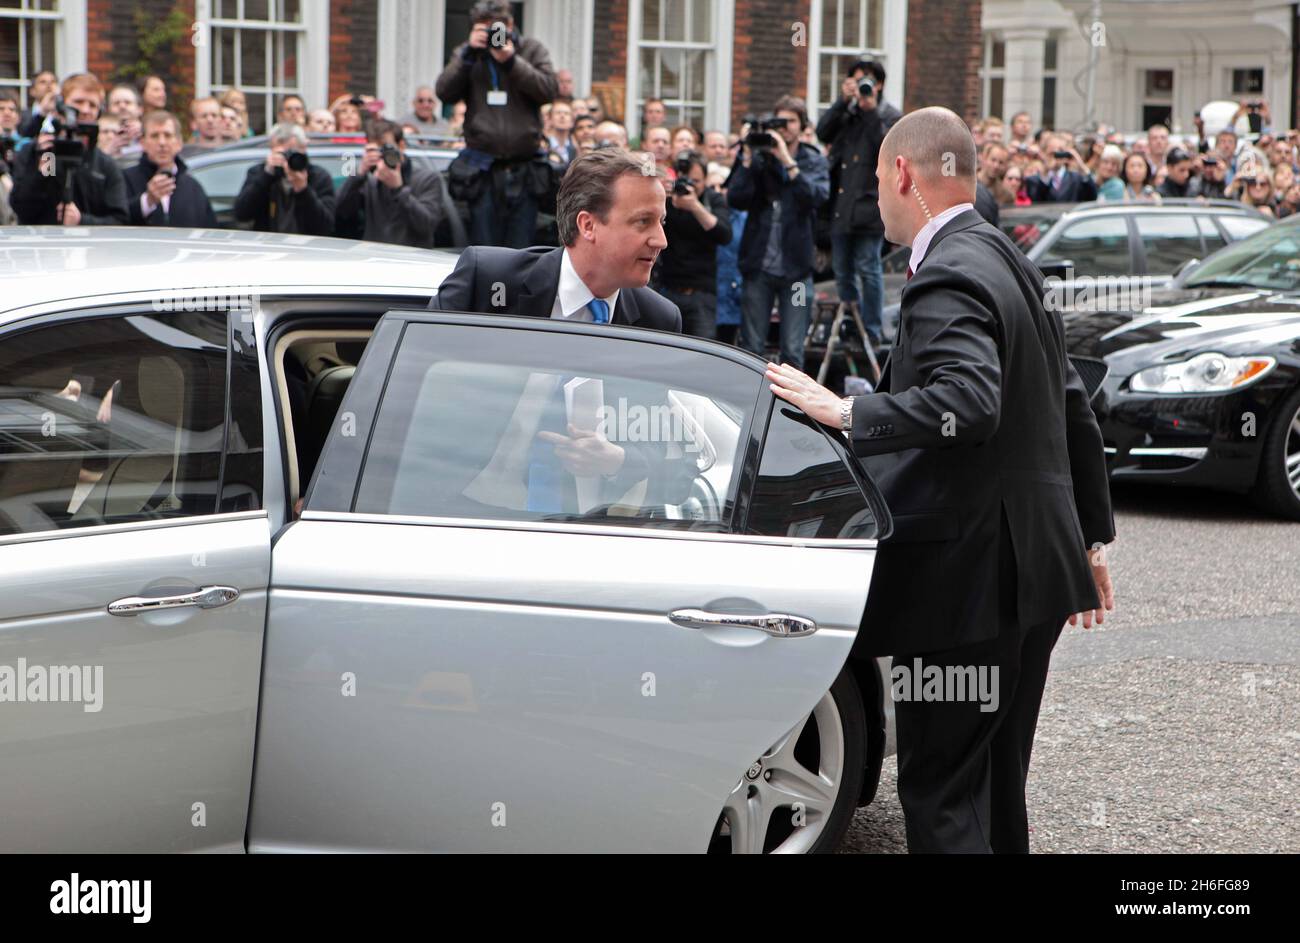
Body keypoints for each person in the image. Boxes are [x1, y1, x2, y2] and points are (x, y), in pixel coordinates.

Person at [764, 106, 1116, 854]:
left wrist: (850, 410)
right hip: (1032, 575)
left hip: (967, 586)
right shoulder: (1009, 257)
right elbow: (1070, 399)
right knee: (992, 782)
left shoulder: (948, 270)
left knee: (942, 789)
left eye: (877, 185)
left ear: (900, 173)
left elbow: (970, 400)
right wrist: (1091, 535)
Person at [436, 0, 558, 248]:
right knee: (483, 245)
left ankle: (516, 288)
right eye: (486, 29)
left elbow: (548, 91)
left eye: (497, 28)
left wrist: (511, 61)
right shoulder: (468, 54)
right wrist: (467, 56)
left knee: (521, 247)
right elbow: (444, 92)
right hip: (482, 168)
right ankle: (487, 288)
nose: (493, 35)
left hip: (524, 168)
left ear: (511, 25)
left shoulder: (531, 50)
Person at [728, 96, 830, 368]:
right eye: (780, 121)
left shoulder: (812, 159)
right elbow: (736, 198)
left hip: (796, 270)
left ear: (802, 125)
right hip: (759, 266)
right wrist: (748, 158)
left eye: (791, 122)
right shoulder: (758, 155)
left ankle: (789, 409)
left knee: (793, 349)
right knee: (751, 348)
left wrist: (786, 159)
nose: (785, 127)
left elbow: (817, 198)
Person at [816, 60, 898, 346]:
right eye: (857, 80)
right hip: (842, 204)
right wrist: (842, 102)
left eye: (867, 81)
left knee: (868, 266)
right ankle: (850, 318)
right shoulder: (846, 114)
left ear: (879, 86)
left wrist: (870, 111)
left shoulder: (888, 114)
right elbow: (822, 132)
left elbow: (887, 148)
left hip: (870, 207)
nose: (863, 87)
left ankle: (872, 328)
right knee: (842, 267)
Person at [9, 73, 129, 226]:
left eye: (92, 105)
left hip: (90, 247)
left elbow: (120, 220)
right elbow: (23, 208)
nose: (85, 110)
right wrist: (44, 168)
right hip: (43, 244)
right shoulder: (40, 151)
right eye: (78, 102)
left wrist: (82, 220)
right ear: (60, 105)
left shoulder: (104, 164)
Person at [653, 149, 732, 338]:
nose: (689, 186)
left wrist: (695, 206)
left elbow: (724, 235)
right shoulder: (667, 201)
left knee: (701, 355)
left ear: (705, 180)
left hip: (701, 293)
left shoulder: (712, 200)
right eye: (685, 180)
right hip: (667, 290)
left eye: (696, 181)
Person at [335, 120, 444, 247]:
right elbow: (341, 214)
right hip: (373, 258)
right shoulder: (369, 180)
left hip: (413, 260)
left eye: (386, 148)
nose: (382, 155)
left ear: (401, 146)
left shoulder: (427, 179)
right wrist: (359, 174)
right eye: (376, 150)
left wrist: (398, 189)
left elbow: (427, 226)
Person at [232, 122, 335, 234]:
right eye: (281, 154)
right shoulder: (259, 173)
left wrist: (303, 190)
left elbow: (326, 226)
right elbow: (242, 214)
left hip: (307, 248)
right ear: (271, 150)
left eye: (292, 153)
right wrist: (266, 176)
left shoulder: (319, 176)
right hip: (269, 246)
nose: (286, 160)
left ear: (304, 149)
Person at [123, 111, 217, 228]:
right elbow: (117, 221)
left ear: (179, 143)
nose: (162, 143)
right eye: (155, 136)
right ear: (143, 143)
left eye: (167, 135)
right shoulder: (125, 179)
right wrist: (147, 201)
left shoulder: (193, 187)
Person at [1024, 133, 1097, 202]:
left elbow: (1092, 196)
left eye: (1060, 151)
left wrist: (1081, 165)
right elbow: (1035, 199)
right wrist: (1046, 172)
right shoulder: (1034, 180)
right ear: (1044, 153)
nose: (1056, 156)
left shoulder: (1076, 179)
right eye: (1052, 152)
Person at [974, 142, 1006, 226]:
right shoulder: (968, 183)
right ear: (984, 159)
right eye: (993, 160)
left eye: (1001, 162)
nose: (996, 166)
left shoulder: (1006, 194)